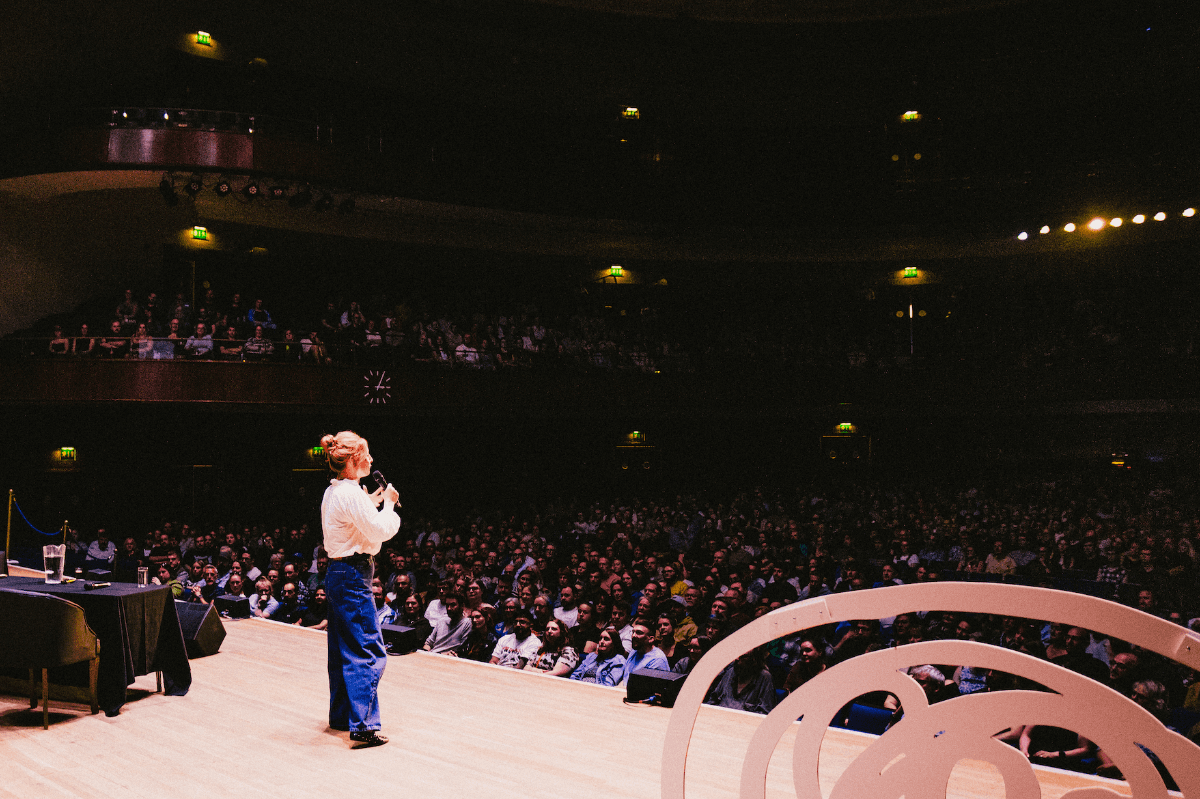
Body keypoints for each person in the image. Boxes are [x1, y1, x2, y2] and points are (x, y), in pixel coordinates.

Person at [319, 430, 401, 749]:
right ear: (355, 458)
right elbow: (379, 531)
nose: (371, 459)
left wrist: (374, 501)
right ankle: (364, 725)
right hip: (354, 573)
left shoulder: (336, 491)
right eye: (366, 454)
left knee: (342, 649)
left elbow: (355, 517)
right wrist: (390, 506)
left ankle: (342, 716)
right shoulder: (351, 493)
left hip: (338, 572)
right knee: (367, 647)